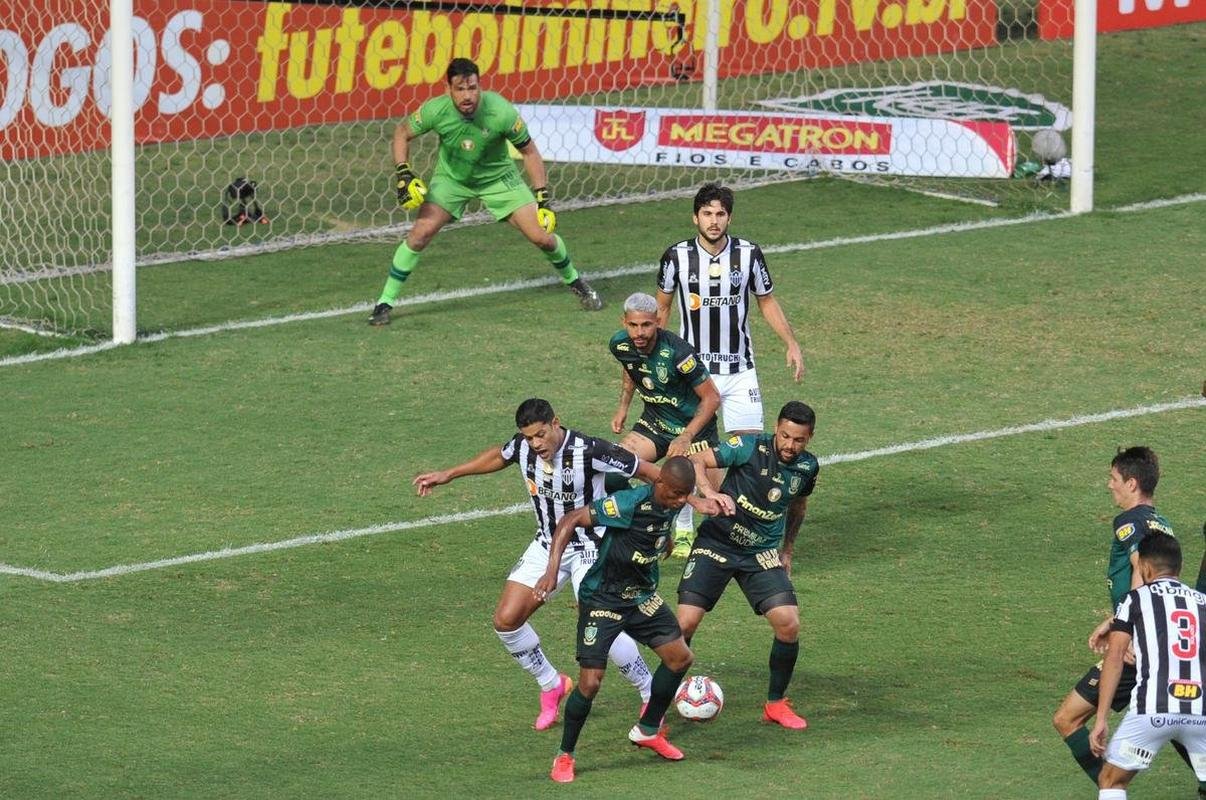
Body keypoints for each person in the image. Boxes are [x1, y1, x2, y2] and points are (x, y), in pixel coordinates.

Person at [413, 398, 655, 731]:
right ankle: (551, 683)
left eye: (541, 435)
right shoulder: (523, 448)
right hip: (546, 544)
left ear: (556, 423)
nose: (535, 444)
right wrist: (449, 474)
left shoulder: (591, 450)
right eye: (529, 438)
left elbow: (649, 472)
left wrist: (683, 503)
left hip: (591, 548)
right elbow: (500, 454)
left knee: (603, 628)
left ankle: (650, 692)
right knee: (506, 620)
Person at [369, 58, 602, 325]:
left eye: (472, 88)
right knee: (419, 234)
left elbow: (529, 152)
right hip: (452, 180)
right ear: (448, 90)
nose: (467, 95)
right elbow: (402, 132)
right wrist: (403, 172)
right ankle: (384, 302)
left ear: (480, 87)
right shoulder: (436, 110)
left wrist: (542, 198)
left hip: (499, 180)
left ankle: (577, 282)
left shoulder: (500, 111)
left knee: (542, 237)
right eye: (460, 89)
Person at [535, 457, 718, 783]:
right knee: (590, 683)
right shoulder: (628, 504)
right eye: (676, 494)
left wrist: (668, 537)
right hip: (603, 599)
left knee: (680, 658)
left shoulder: (674, 499)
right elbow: (570, 520)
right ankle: (565, 755)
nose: (680, 501)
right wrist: (551, 571)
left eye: (684, 495)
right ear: (659, 483)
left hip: (641, 596)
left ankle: (648, 729)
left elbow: (666, 517)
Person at [655, 183, 804, 557]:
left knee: (752, 454)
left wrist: (791, 342)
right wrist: (657, 362)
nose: (714, 220)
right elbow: (661, 312)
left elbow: (767, 301)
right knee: (689, 449)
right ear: (695, 217)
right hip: (695, 374)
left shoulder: (749, 254)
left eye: (720, 214)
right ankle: (686, 524)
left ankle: (740, 527)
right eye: (707, 213)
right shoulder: (676, 257)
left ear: (729, 217)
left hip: (740, 371)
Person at [1051, 446, 1197, 790]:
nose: (1109, 485)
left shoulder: (1129, 522)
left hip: (1137, 645)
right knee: (1177, 723)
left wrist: (1126, 629)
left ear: (1132, 483)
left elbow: (1141, 570)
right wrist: (1116, 619)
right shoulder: (1161, 522)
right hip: (1161, 637)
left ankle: (1109, 786)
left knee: (1067, 718)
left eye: (1114, 479)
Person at [680, 401, 819, 730]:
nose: (789, 445)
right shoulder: (747, 447)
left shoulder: (808, 468)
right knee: (684, 626)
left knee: (789, 624)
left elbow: (798, 505)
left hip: (761, 553)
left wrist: (787, 549)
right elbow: (696, 459)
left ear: (809, 438)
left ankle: (775, 703)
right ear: (776, 428)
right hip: (717, 543)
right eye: (785, 436)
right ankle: (654, 710)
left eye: (798, 440)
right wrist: (709, 491)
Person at [1089, 532, 1206, 799]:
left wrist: (1101, 719)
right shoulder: (1203, 602)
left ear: (1144, 566)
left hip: (1152, 714)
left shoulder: (1136, 599)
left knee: (1111, 780)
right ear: (1180, 567)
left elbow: (1116, 657)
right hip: (1201, 714)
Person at [608, 292, 720, 477]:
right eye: (633, 325)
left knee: (712, 500)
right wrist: (623, 408)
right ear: (624, 322)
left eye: (646, 325)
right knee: (613, 471)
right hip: (655, 424)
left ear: (658, 322)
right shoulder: (620, 344)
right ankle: (664, 490)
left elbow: (712, 397)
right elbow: (630, 367)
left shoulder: (679, 353)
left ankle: (674, 487)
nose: (639, 333)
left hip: (693, 431)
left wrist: (686, 436)